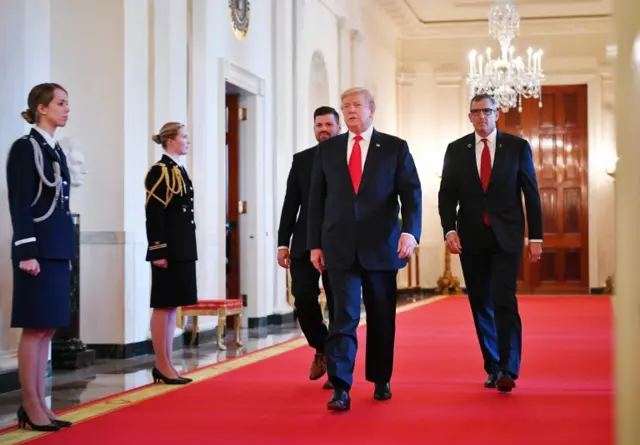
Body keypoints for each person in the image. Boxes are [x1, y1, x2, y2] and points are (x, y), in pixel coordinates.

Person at [307, 87, 422, 411]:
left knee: (381, 317)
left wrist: (410, 232)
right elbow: (316, 200)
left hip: (381, 246)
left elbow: (411, 193)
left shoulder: (394, 148)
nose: (350, 110)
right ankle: (341, 386)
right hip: (338, 246)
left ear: (372, 109)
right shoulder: (328, 151)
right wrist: (314, 244)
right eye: (345, 106)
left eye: (357, 105)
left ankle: (381, 377)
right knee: (342, 317)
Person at [437, 93, 543, 393]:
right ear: (469, 117)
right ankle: (493, 366)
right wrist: (449, 230)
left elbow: (531, 194)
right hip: (471, 239)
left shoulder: (517, 147)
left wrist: (535, 237)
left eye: (487, 111)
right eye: (476, 112)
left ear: (497, 114)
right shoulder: (456, 150)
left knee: (504, 299)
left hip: (507, 238)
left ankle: (510, 367)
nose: (482, 116)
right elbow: (447, 195)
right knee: (480, 302)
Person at [7, 83, 76, 431]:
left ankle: (41, 402)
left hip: (56, 247)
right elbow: (20, 202)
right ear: (41, 108)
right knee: (35, 329)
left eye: (67, 103)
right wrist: (27, 251)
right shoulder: (24, 148)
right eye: (61, 103)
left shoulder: (55, 151)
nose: (67, 108)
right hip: (37, 250)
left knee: (48, 328)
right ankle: (30, 403)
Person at [276, 106, 341, 390]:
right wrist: (282, 242)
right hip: (303, 243)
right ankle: (322, 346)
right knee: (302, 297)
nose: (323, 129)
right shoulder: (301, 160)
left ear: (338, 127)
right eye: (319, 125)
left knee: (339, 305)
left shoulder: (348, 158)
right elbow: (291, 203)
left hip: (339, 242)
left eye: (328, 124)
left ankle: (338, 366)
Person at [144, 122, 197, 385]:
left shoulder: (178, 169)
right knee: (163, 304)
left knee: (172, 305)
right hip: (168, 250)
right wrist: (157, 249)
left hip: (183, 247)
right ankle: (161, 363)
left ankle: (167, 363)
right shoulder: (160, 171)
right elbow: (154, 214)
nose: (187, 141)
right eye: (184, 137)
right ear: (170, 141)